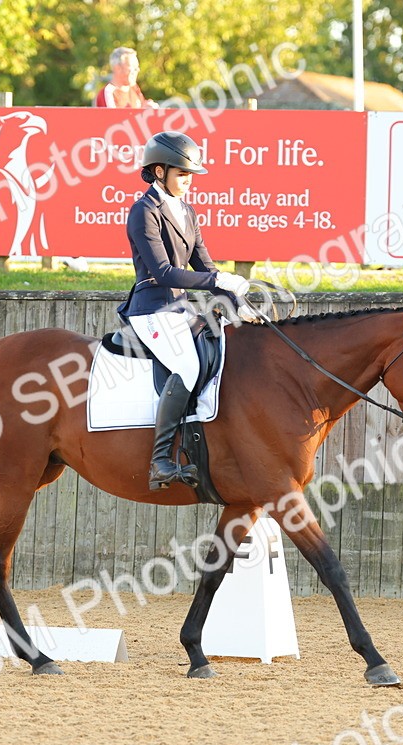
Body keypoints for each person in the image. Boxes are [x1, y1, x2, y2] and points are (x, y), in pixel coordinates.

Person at [118, 131, 257, 491]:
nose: (188, 181)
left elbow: (205, 265)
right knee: (187, 364)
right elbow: (162, 272)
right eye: (182, 174)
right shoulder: (144, 212)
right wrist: (217, 283)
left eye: (191, 174)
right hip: (151, 309)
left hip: (179, 309)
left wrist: (235, 299)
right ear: (159, 170)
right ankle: (160, 460)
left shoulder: (187, 211)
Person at [94, 47, 158, 109]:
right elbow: (113, 119)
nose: (137, 70)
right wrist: (141, 112)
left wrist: (150, 108)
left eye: (137, 66)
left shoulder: (134, 88)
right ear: (118, 68)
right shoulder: (108, 93)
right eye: (133, 66)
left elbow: (143, 110)